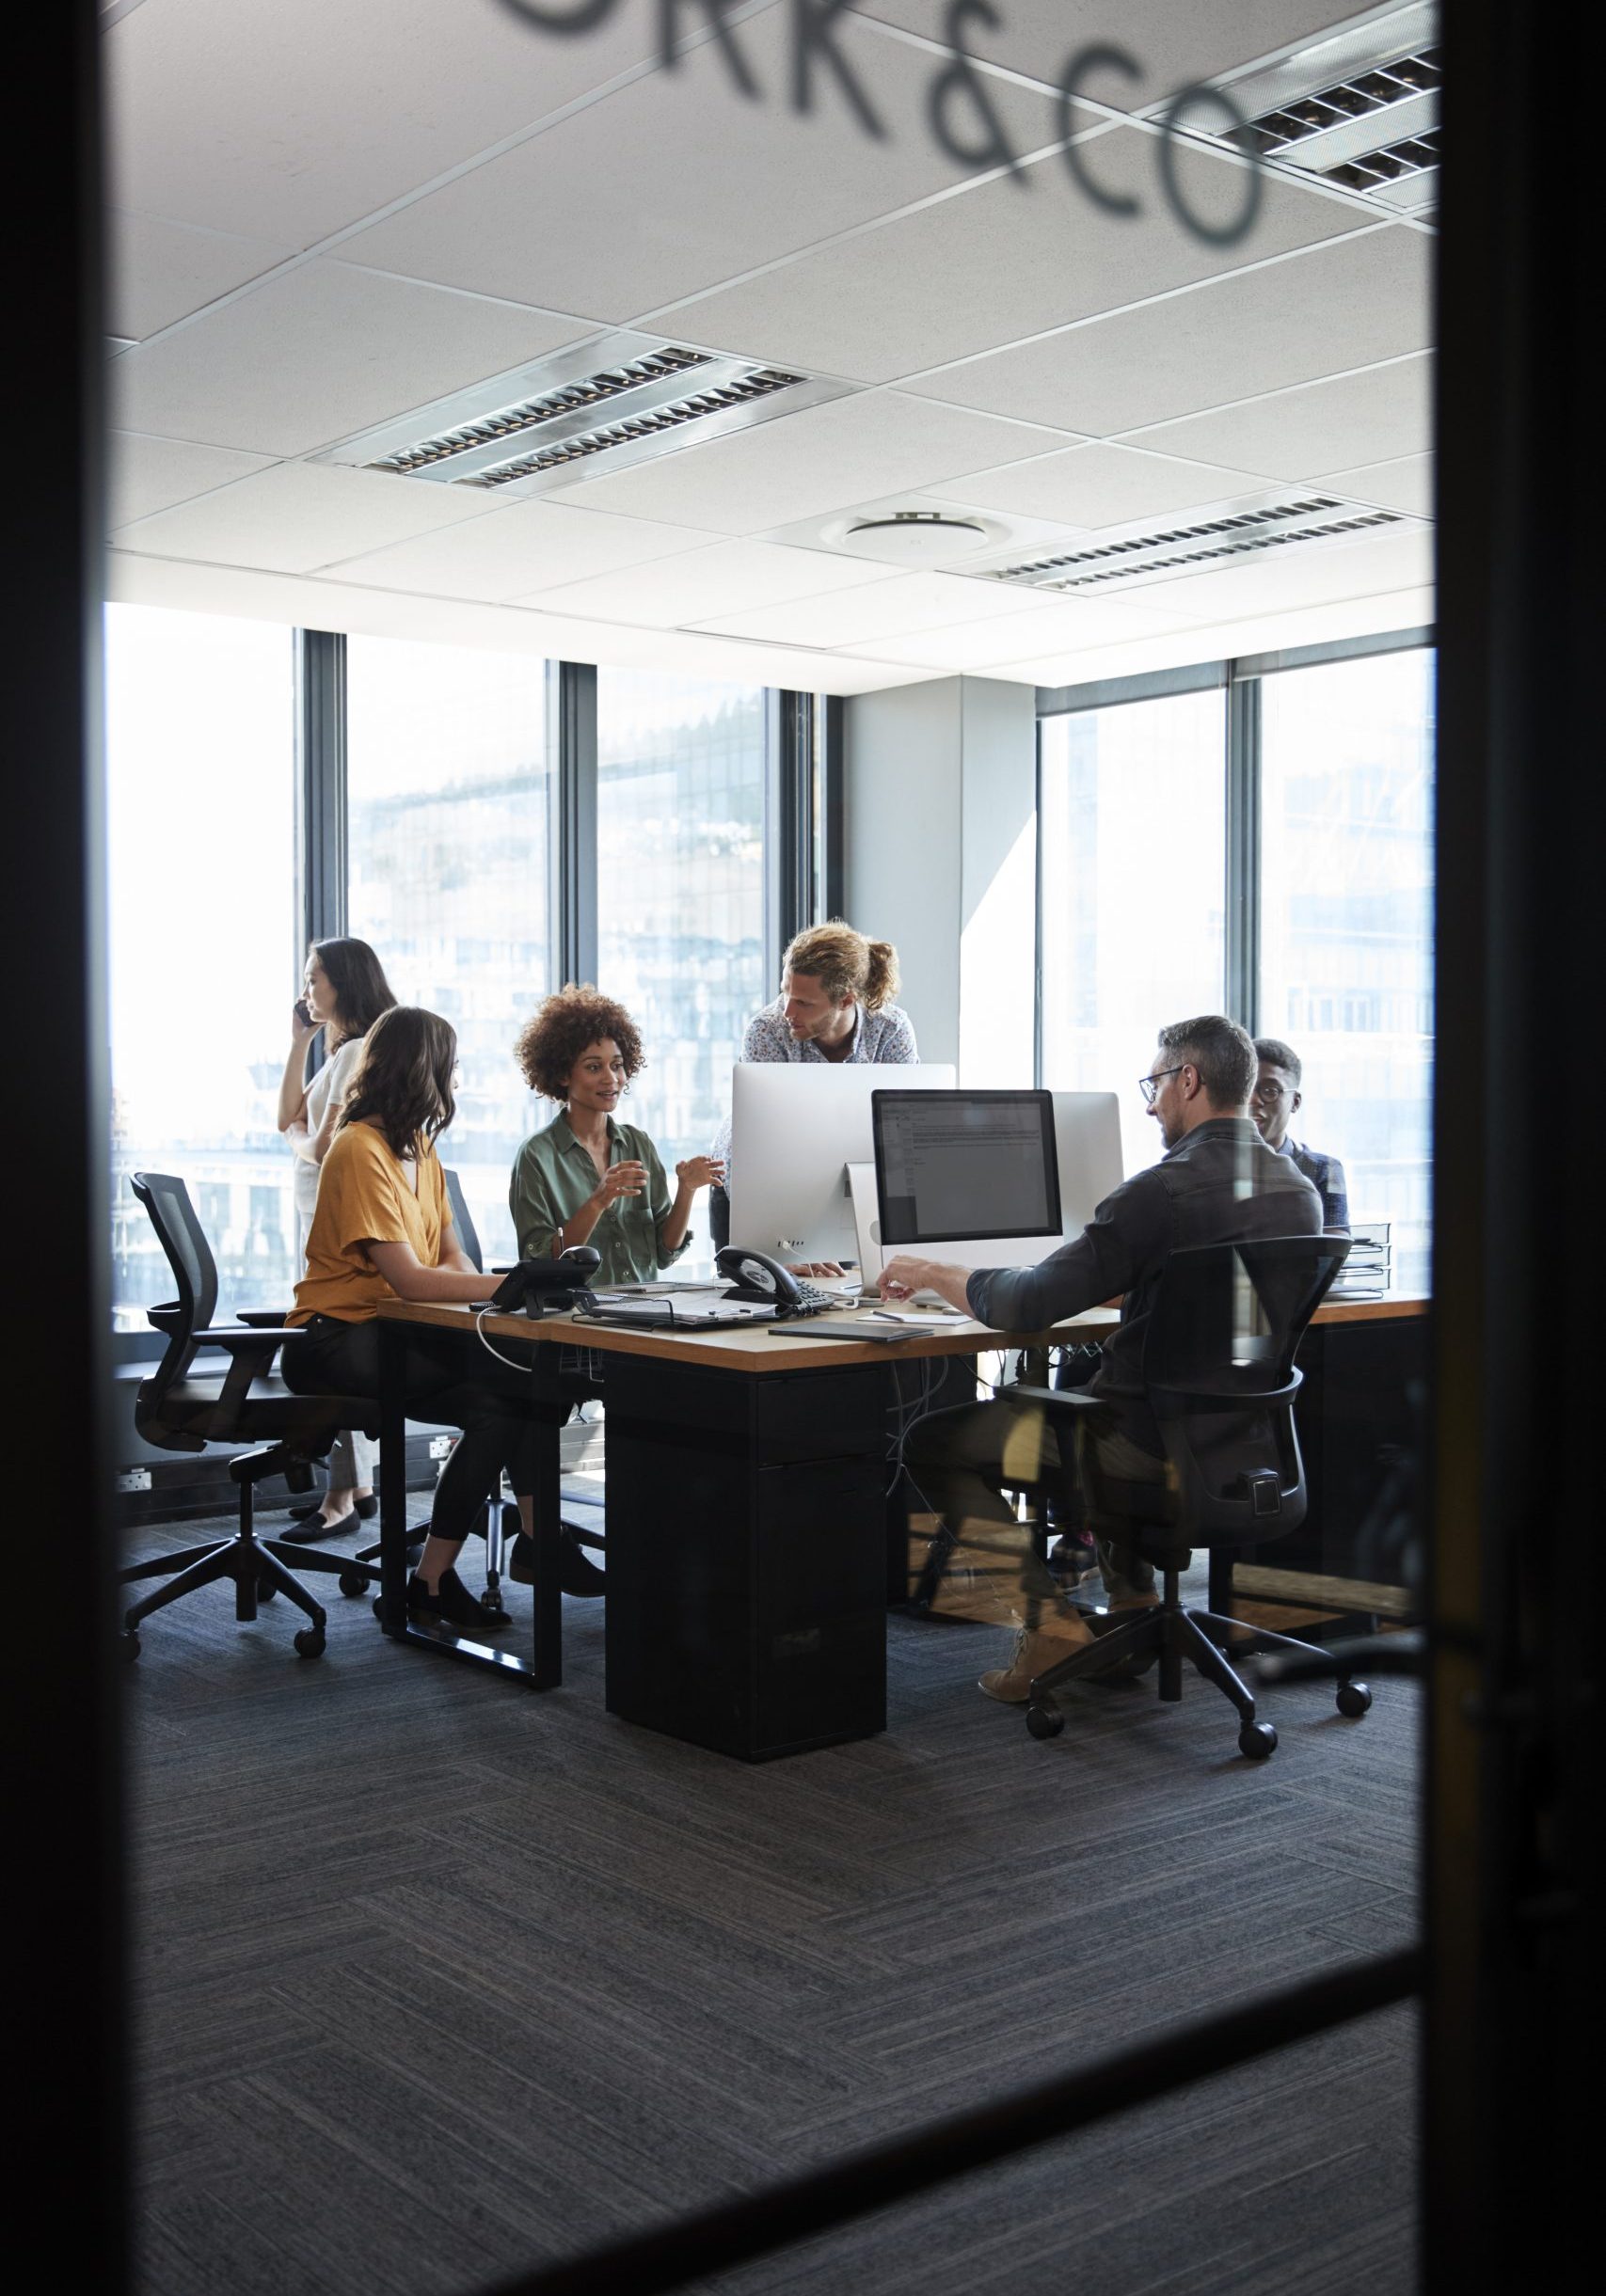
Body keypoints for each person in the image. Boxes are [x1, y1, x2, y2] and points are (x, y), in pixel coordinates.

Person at [878, 1015, 1323, 1703]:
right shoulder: (1298, 1189)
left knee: (937, 1440)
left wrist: (935, 1272)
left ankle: (1050, 1625)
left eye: (1155, 1086)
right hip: (1242, 1446)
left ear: (1188, 1080)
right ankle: (1132, 1610)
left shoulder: (1159, 1191)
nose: (1149, 1105)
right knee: (1109, 1400)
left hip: (1145, 1445)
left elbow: (1026, 1305)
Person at [281, 1005, 551, 1636]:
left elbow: (452, 1257)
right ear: (420, 1071)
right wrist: (516, 1285)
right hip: (335, 1337)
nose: (454, 1082)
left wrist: (497, 1286)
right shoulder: (357, 1149)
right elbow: (408, 1278)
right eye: (449, 1068)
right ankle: (539, 1545)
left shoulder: (420, 1150)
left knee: (513, 1402)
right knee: (519, 1378)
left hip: (396, 1333)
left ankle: (432, 1578)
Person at [276, 936, 397, 1538]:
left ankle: (339, 1500)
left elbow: (314, 1144)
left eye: (313, 980)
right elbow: (286, 1115)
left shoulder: (359, 1054)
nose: (306, 992)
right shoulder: (342, 1051)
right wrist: (299, 1041)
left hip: (329, 1212)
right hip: (317, 1213)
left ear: (343, 982)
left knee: (335, 1332)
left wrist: (300, 1145)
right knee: (341, 1329)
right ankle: (360, 1485)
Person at [710, 920, 918, 1251]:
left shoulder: (890, 1029)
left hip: (844, 1186)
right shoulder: (767, 1031)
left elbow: (902, 1127)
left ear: (847, 1000)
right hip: (754, 1186)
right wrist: (787, 1243)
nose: (788, 1012)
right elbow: (766, 1142)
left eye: (804, 1003)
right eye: (785, 994)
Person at [509, 984, 723, 1284]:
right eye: (594, 1067)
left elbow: (664, 1253)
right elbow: (540, 1261)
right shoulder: (536, 1155)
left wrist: (686, 1191)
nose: (611, 1079)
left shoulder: (638, 1144)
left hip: (644, 1314)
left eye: (617, 1066)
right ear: (562, 1074)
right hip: (575, 1317)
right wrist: (598, 1200)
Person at [1250, 1037, 1350, 1231]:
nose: (1253, 1100)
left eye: (1270, 1090)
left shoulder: (1326, 1169)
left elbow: (1334, 1249)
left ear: (1295, 1102)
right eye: (1246, 1089)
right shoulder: (1218, 1165)